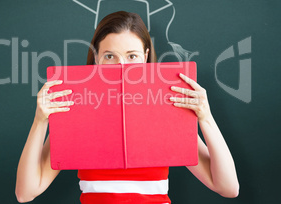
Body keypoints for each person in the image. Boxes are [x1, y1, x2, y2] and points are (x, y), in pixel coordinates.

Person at [15, 11, 239, 203]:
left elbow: (228, 187)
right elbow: (25, 193)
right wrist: (40, 121)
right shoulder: (75, 110)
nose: (121, 67)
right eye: (110, 55)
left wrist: (206, 118)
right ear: (96, 58)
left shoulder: (166, 109)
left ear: (146, 56)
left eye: (131, 56)